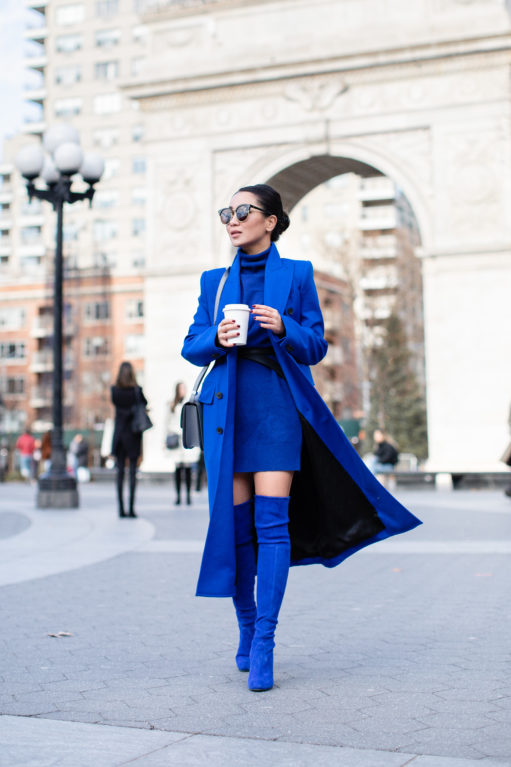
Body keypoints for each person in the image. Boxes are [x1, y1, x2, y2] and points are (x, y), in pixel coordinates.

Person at [181, 183, 421, 693]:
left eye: (243, 211)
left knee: (272, 527)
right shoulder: (213, 281)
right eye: (227, 212)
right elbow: (191, 345)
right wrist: (216, 337)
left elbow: (315, 346)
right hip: (228, 413)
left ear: (270, 221)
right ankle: (246, 628)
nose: (232, 219)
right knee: (238, 530)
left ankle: (265, 642)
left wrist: (284, 326)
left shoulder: (297, 274)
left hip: (276, 411)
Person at [111, 361, 148, 518]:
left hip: (120, 435)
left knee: (120, 473)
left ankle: (121, 509)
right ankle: (131, 509)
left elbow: (117, 407)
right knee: (132, 473)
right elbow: (144, 403)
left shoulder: (114, 391)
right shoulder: (136, 390)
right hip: (133, 435)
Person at [166, 382, 201, 505]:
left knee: (187, 469)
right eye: (181, 388)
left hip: (186, 439)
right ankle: (178, 496)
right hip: (176, 440)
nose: (183, 390)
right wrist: (165, 440)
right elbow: (167, 423)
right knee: (177, 469)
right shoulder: (171, 404)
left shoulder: (189, 403)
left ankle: (188, 496)